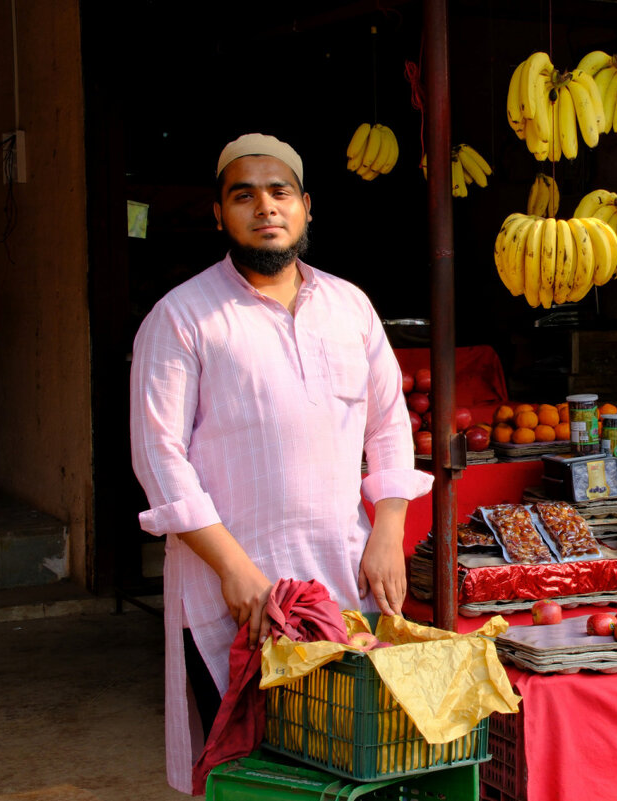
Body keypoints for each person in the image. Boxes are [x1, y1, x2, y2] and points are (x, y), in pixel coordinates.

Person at [129, 133, 432, 794]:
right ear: (219, 215)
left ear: (305, 207)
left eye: (279, 192)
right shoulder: (181, 318)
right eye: (243, 195)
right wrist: (235, 571)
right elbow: (160, 459)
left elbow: (389, 424)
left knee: (344, 767)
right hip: (233, 597)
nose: (265, 207)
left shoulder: (351, 307)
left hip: (343, 589)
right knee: (252, 776)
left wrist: (388, 529)